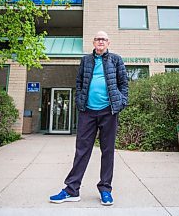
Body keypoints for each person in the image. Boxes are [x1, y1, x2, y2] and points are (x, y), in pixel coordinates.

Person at [49, 31, 128, 206]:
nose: (101, 41)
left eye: (104, 39)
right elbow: (79, 82)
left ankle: (105, 190)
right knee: (82, 151)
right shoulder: (86, 60)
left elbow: (123, 83)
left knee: (107, 151)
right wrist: (79, 101)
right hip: (87, 112)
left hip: (109, 111)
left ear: (108, 42)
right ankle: (71, 190)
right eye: (98, 39)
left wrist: (122, 101)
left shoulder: (116, 59)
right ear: (93, 42)